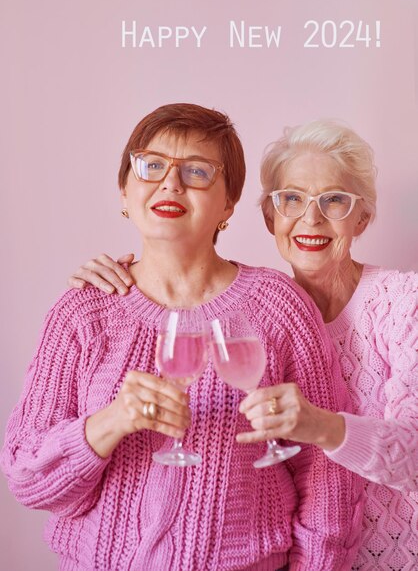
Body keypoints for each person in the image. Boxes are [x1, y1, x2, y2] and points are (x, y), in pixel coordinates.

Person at [0, 105, 363, 571]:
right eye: (151, 166)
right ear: (125, 190)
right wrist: (112, 421)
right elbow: (29, 480)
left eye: (197, 171)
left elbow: (327, 471)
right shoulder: (83, 309)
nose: (170, 184)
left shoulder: (280, 305)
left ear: (229, 204)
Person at [75, 118, 417, 571]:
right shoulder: (266, 308)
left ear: (363, 217)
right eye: (291, 198)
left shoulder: (404, 303)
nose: (310, 218)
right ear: (269, 215)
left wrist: (322, 427)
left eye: (334, 200)